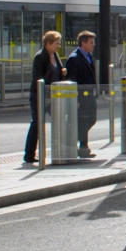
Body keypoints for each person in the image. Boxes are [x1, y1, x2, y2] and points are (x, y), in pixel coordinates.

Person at [24, 30, 66, 164]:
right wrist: (49, 87)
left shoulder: (55, 55)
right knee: (37, 123)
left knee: (59, 120)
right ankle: (29, 154)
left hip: (52, 95)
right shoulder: (40, 57)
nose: (58, 46)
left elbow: (58, 72)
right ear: (48, 43)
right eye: (56, 43)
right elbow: (38, 77)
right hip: (39, 95)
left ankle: (61, 150)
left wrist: (63, 73)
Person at [64, 30, 100, 158]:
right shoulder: (74, 58)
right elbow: (71, 79)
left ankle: (80, 143)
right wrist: (76, 98)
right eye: (91, 42)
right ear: (83, 43)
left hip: (90, 94)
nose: (93, 45)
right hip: (81, 96)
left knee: (91, 119)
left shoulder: (90, 56)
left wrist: (96, 91)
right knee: (83, 120)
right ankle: (82, 147)